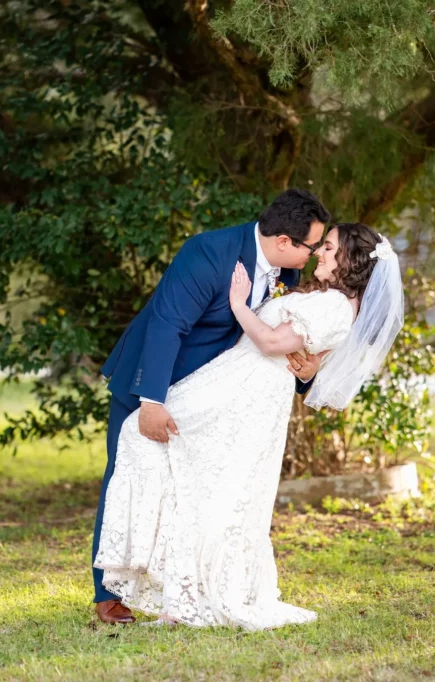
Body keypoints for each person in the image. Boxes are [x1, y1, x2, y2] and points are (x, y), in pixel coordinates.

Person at [95, 222, 404, 630]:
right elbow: (307, 353)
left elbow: (273, 343)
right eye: (320, 245)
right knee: (202, 482)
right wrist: (310, 364)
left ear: (351, 260)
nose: (319, 253)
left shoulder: (334, 305)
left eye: (329, 248)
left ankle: (182, 589)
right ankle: (167, 586)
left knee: (204, 482)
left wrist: (239, 304)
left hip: (245, 393)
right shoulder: (329, 299)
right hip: (236, 386)